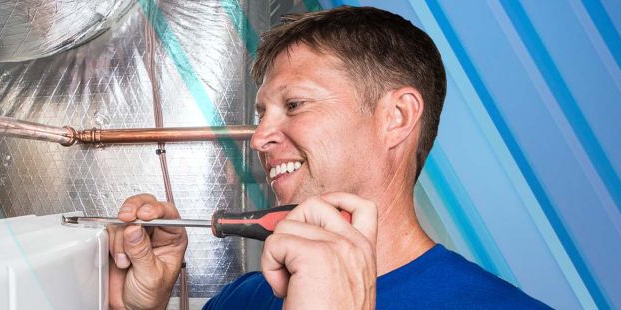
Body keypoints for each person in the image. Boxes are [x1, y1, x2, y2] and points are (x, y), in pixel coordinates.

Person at [103, 6, 550, 309]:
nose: (258, 139)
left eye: (295, 105)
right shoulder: (244, 299)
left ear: (397, 116)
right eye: (261, 114)